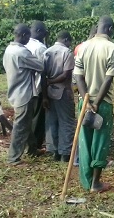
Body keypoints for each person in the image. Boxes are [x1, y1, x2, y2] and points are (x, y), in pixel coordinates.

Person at [74, 16, 114, 193]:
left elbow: (78, 76)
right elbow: (108, 79)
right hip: (103, 104)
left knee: (85, 142)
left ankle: (87, 182)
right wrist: (96, 103)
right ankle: (96, 183)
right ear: (109, 29)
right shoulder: (112, 48)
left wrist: (86, 101)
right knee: (100, 143)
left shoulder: (83, 47)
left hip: (83, 103)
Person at [3, 23, 44, 165]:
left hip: (15, 91)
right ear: (24, 35)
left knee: (26, 123)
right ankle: (13, 158)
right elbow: (40, 66)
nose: (29, 38)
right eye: (28, 35)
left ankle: (32, 149)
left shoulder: (9, 49)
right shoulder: (22, 52)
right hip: (24, 94)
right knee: (20, 126)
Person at [42, 31, 76, 162]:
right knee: (66, 122)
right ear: (66, 40)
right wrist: (53, 81)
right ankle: (65, 153)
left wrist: (44, 95)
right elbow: (66, 75)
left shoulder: (47, 52)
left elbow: (42, 75)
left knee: (52, 121)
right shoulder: (67, 52)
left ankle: (54, 151)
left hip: (49, 92)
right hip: (63, 91)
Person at [25, 20, 50, 152]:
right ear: (39, 32)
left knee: (28, 117)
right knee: (37, 118)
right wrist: (45, 95)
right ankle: (35, 147)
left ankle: (28, 145)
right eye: (44, 32)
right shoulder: (40, 48)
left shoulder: (25, 43)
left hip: (25, 87)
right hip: (37, 86)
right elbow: (43, 72)